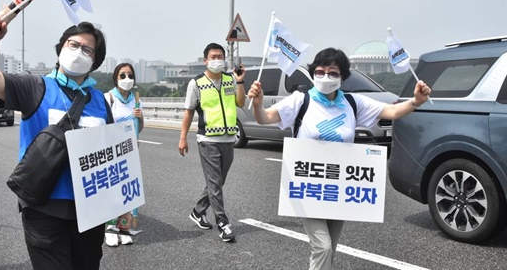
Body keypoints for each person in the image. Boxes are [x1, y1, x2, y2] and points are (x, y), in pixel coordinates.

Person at [247, 47, 431, 270]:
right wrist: (258, 104)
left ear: (342, 77)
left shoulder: (352, 103)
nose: (326, 77)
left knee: (328, 249)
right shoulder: (300, 101)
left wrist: (416, 102)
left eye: (333, 72)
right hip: (309, 186)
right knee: (322, 247)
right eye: (320, 71)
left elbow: (391, 112)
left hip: (340, 188)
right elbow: (265, 118)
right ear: (313, 73)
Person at [0, 16, 112, 270]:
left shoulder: (99, 101)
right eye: (73, 44)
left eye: (87, 49)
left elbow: (112, 152)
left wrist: (122, 206)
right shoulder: (35, 87)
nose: (78, 52)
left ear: (94, 60)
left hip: (90, 212)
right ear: (61, 47)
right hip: (44, 208)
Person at [178, 42, 245, 242]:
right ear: (205, 60)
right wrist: (183, 138)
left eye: (220, 57)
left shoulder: (230, 80)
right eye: (213, 57)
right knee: (215, 183)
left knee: (218, 181)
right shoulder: (196, 83)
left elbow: (240, 103)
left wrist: (240, 82)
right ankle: (223, 224)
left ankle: (198, 212)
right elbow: (189, 112)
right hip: (207, 139)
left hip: (228, 138)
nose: (217, 60)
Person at [103, 62, 144, 247]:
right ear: (115, 78)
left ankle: (124, 227)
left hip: (131, 151)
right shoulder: (109, 98)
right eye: (122, 75)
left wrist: (140, 118)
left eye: (130, 75)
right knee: (113, 191)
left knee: (127, 192)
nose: (127, 79)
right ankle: (111, 229)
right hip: (112, 152)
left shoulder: (136, 100)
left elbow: (139, 128)